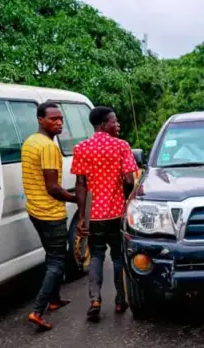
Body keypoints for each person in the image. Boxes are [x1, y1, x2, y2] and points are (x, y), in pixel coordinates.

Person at [71, 106, 138, 321]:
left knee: (97, 256)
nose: (117, 125)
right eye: (114, 121)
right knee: (118, 257)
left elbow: (80, 184)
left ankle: (95, 299)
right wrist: (127, 200)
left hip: (94, 216)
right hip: (116, 213)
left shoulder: (81, 148)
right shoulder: (121, 146)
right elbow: (129, 179)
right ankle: (120, 299)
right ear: (102, 124)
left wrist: (83, 216)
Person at [21, 101, 76, 330]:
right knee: (56, 260)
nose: (59, 123)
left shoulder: (30, 142)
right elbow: (53, 187)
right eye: (53, 119)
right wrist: (77, 199)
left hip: (35, 210)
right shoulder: (48, 147)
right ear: (40, 120)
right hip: (50, 212)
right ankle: (38, 310)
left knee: (51, 254)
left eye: (61, 119)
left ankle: (54, 300)